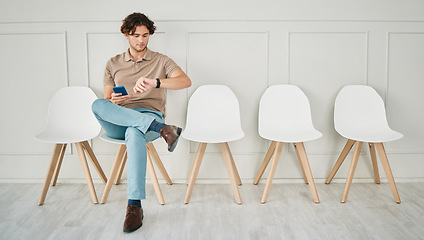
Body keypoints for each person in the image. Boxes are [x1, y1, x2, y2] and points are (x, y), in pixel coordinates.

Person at [91, 12, 191, 233]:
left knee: (135, 132)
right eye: (136, 35)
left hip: (149, 115)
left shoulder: (161, 60)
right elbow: (107, 100)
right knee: (97, 104)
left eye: (145, 35)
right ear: (126, 35)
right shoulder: (113, 63)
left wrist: (156, 82)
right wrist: (113, 100)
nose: (141, 40)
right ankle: (165, 130)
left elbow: (185, 81)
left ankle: (134, 206)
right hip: (120, 117)